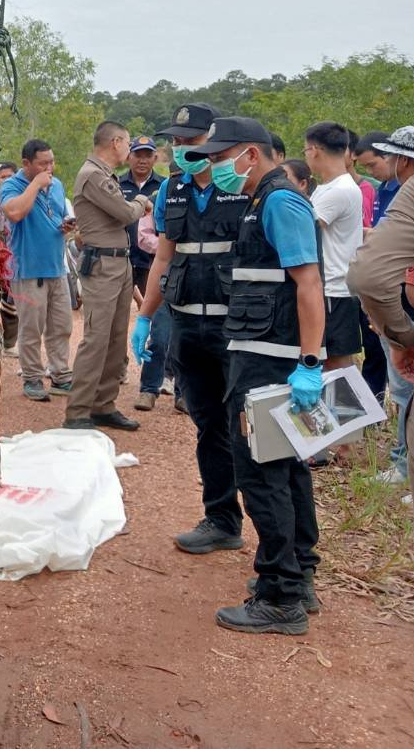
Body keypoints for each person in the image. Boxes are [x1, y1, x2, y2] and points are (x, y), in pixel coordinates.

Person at [187, 117, 323, 635]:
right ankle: (299, 574)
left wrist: (309, 365)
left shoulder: (280, 202)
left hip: (271, 361)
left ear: (249, 153)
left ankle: (280, 594)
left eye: (221, 158)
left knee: (262, 473)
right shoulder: (263, 201)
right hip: (262, 354)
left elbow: (308, 284)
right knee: (286, 468)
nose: (216, 167)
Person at [133, 102, 247, 554]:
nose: (181, 149)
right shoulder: (172, 190)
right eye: (176, 141)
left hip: (238, 327)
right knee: (209, 426)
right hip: (188, 324)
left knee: (248, 428)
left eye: (191, 141)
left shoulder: (243, 189)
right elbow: (165, 255)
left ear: (215, 141)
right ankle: (222, 518)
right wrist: (144, 318)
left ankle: (282, 544)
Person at [65, 122, 154, 430]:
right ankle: (78, 411)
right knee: (96, 339)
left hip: (119, 263)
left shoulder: (103, 175)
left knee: (116, 340)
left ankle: (104, 404)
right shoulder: (92, 176)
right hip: (102, 266)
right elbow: (127, 213)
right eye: (127, 143)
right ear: (115, 142)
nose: (129, 150)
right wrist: (143, 201)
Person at [348, 126, 414, 491]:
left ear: (403, 159)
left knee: (405, 390)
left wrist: (397, 331)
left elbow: (371, 275)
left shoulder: (407, 192)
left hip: (403, 311)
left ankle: (405, 468)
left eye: (388, 158)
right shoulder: (392, 189)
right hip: (399, 304)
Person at [0, 140, 74, 401]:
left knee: (62, 325)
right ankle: (32, 377)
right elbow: (15, 213)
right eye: (43, 163)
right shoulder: (11, 186)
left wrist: (66, 226)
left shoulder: (58, 185)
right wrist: (36, 185)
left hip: (56, 267)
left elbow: (59, 215)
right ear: (26, 164)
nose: (49, 167)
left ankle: (60, 375)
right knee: (31, 328)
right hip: (28, 270)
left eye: (51, 162)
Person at [303, 122, 363, 370]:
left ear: (315, 150)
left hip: (333, 290)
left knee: (336, 365)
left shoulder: (338, 190)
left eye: (305, 150)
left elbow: (306, 230)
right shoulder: (329, 188)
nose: (306, 155)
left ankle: (351, 410)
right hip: (331, 288)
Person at [121, 134, 173, 410]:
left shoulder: (165, 186)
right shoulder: (118, 184)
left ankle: (168, 382)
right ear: (129, 156)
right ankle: (125, 372)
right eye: (137, 154)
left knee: (164, 328)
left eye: (147, 154)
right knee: (120, 320)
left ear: (155, 157)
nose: (142, 159)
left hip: (158, 263)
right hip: (126, 260)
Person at [0, 162, 20, 356]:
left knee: (13, 303)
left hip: (15, 258)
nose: (6, 180)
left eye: (10, 176)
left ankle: (10, 343)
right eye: (2, 177)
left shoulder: (21, 200)